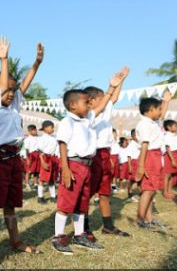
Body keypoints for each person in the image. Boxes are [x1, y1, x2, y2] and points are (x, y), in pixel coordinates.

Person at [52, 71, 124, 255]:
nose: (90, 106)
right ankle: (58, 237)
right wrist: (66, 169)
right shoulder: (68, 122)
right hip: (74, 165)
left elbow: (101, 107)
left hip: (87, 166)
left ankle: (79, 234)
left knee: (82, 203)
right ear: (73, 105)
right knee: (66, 203)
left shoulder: (87, 119)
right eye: (86, 102)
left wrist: (111, 87)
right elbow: (62, 146)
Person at [0, 37, 44, 255]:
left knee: (10, 203)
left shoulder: (14, 105)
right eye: (5, 89)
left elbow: (24, 83)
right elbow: (3, 86)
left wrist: (37, 63)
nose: (10, 93)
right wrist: (5, 60)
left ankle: (15, 240)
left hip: (13, 157)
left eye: (13, 90)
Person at [83, 68, 130, 238]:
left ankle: (108, 226)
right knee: (87, 193)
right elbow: (111, 98)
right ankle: (84, 227)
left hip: (106, 155)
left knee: (104, 192)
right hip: (93, 156)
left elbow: (114, 98)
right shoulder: (89, 116)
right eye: (103, 98)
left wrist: (121, 80)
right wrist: (111, 87)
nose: (107, 100)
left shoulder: (104, 114)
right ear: (92, 101)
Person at [134, 92, 172, 231]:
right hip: (149, 156)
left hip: (155, 156)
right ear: (150, 110)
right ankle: (139, 220)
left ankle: (148, 219)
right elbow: (144, 145)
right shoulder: (144, 125)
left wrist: (165, 101)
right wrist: (141, 166)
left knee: (152, 190)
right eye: (158, 108)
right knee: (148, 190)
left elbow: (162, 115)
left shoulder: (153, 122)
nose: (161, 112)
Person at [37, 120, 58, 204]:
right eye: (51, 127)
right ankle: (40, 197)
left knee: (52, 179)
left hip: (53, 158)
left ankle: (53, 196)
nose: (53, 129)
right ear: (45, 128)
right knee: (42, 178)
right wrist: (43, 162)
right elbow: (40, 151)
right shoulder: (42, 138)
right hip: (45, 158)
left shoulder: (55, 137)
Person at [162, 120, 177, 199]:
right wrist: (172, 159)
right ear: (169, 127)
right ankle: (165, 192)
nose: (176, 128)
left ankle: (169, 190)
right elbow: (168, 147)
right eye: (175, 126)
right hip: (170, 155)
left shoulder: (175, 135)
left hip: (175, 154)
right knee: (167, 174)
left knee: (172, 174)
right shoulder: (167, 136)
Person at [23, 125, 40, 192]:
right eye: (34, 130)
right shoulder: (27, 139)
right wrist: (27, 159)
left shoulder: (38, 138)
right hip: (31, 155)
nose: (35, 131)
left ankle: (35, 184)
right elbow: (26, 150)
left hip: (37, 155)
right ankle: (27, 185)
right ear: (30, 131)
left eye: (36, 130)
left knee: (36, 171)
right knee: (28, 171)